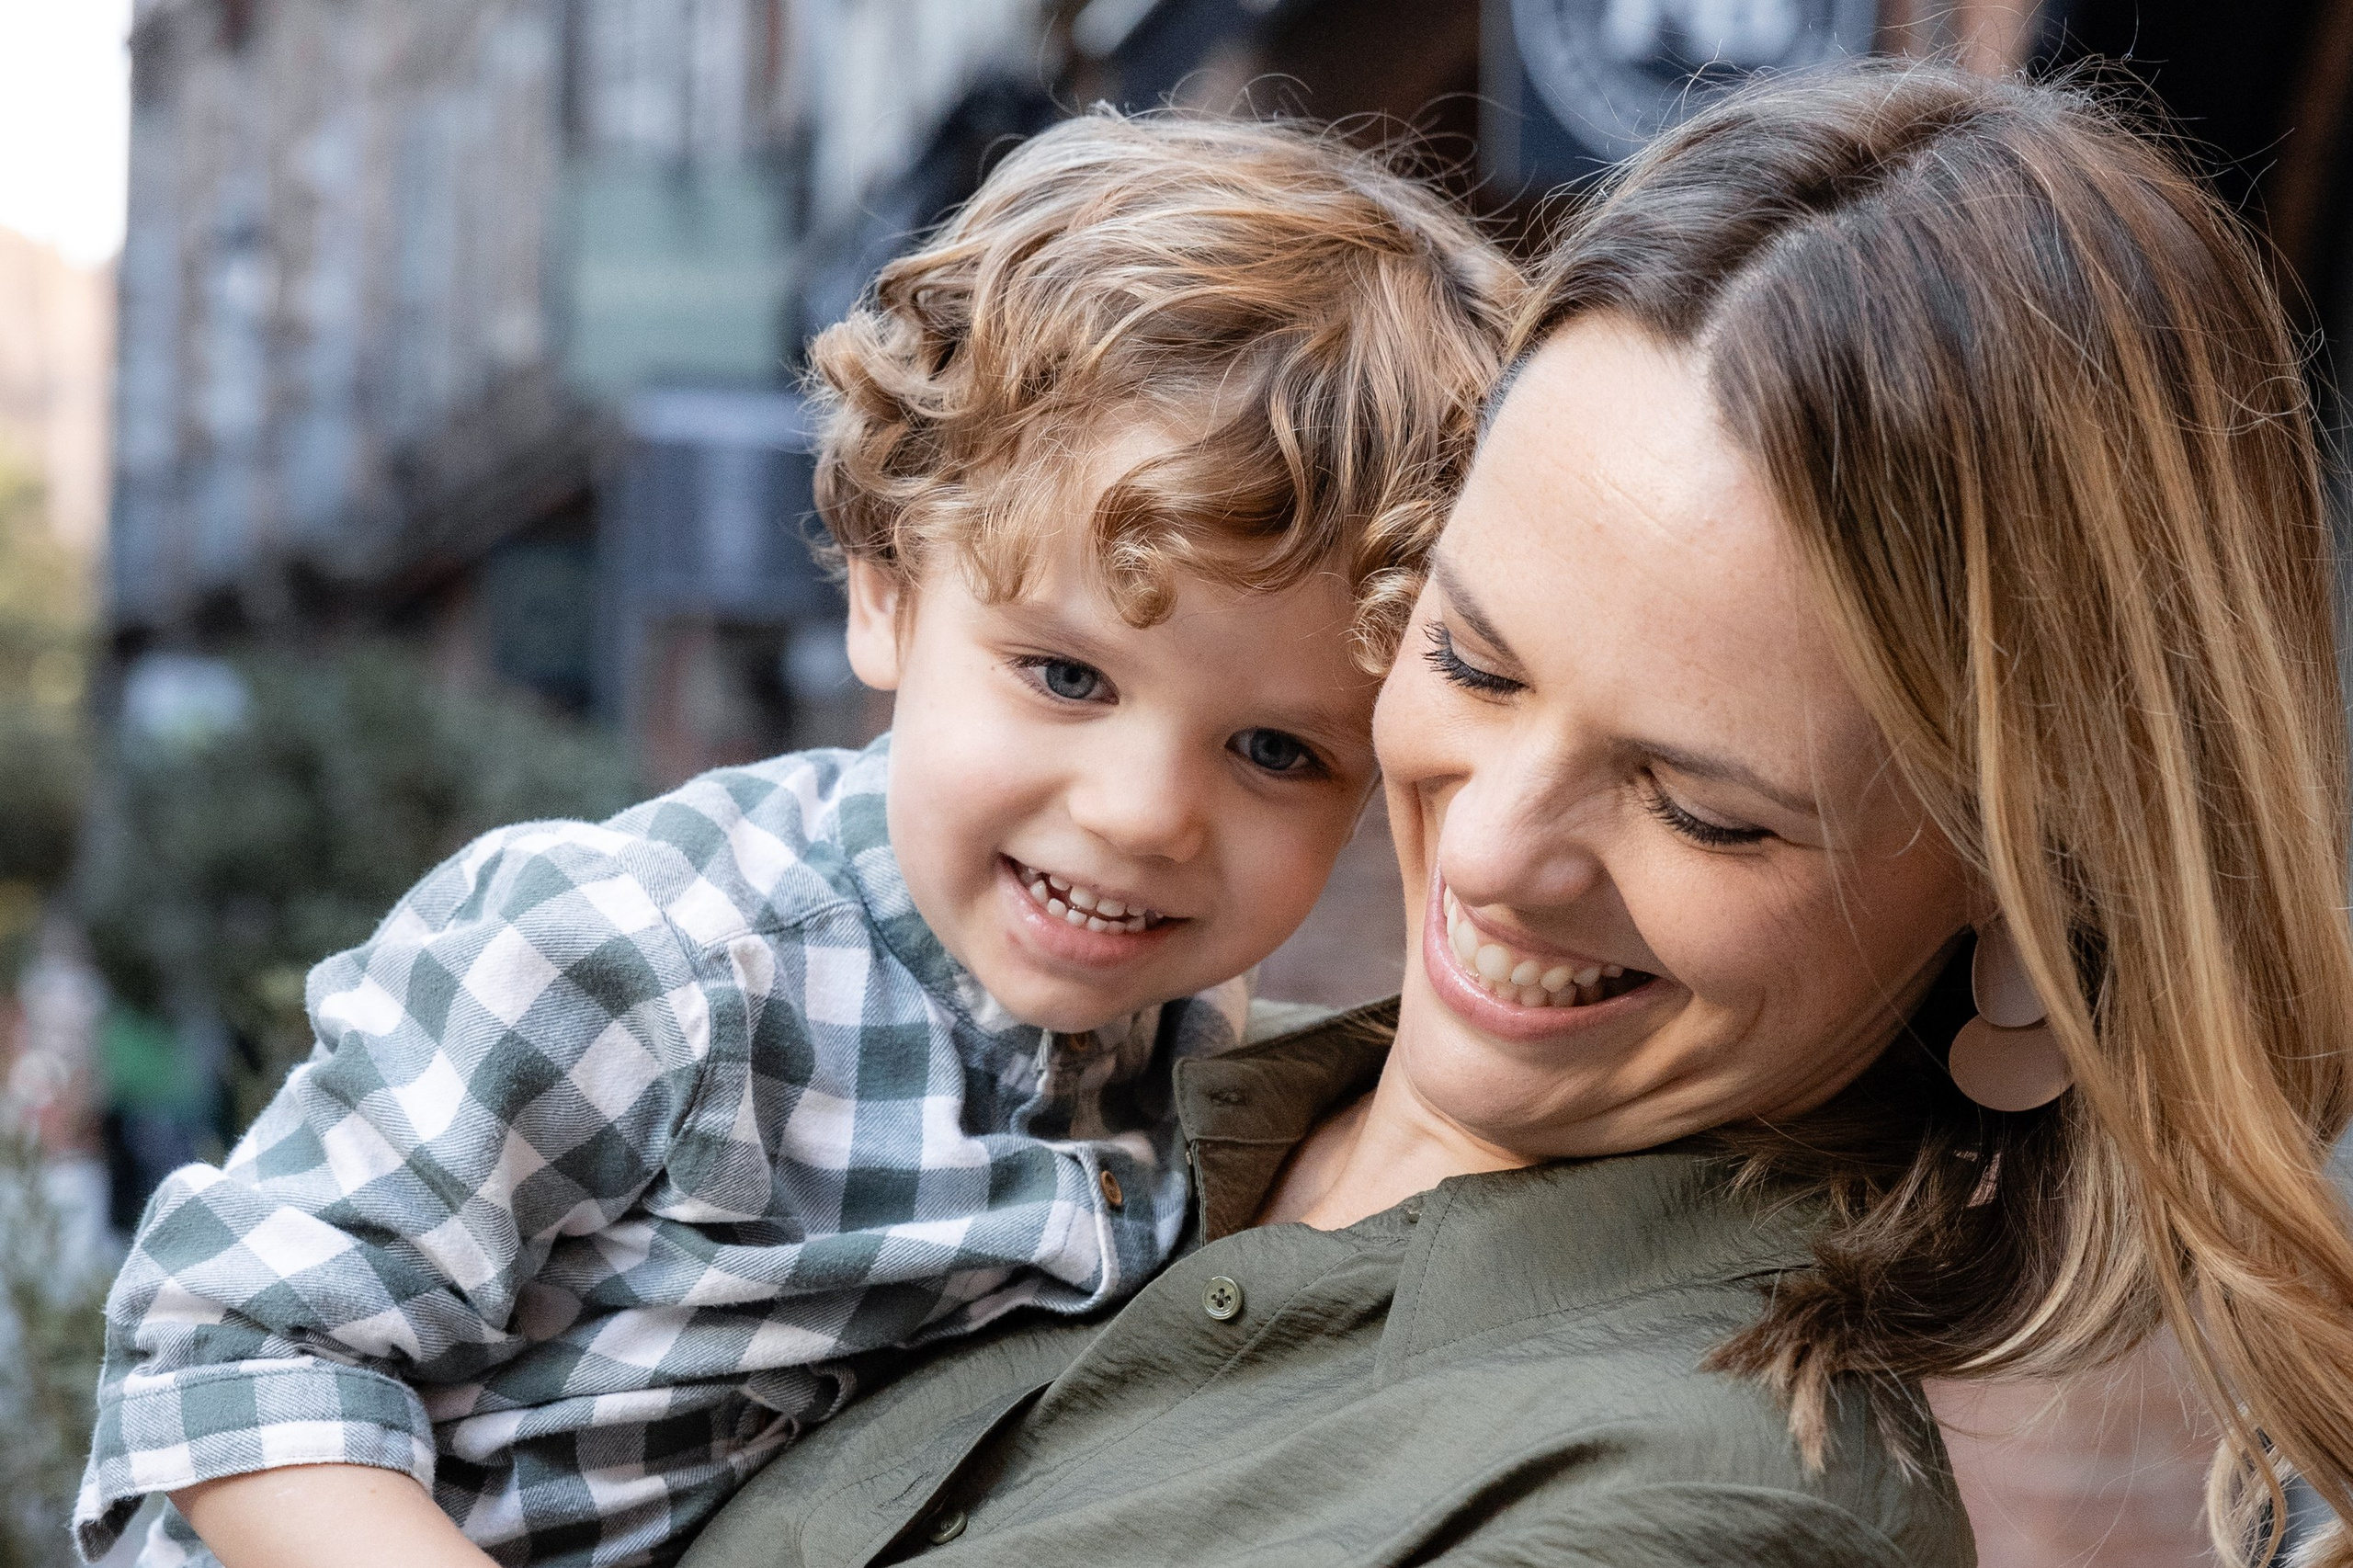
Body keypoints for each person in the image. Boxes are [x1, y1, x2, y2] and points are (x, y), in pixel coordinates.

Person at [680, 59, 2353, 1568]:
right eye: (1471, 661)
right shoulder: (1098, 1066)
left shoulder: (1693, 1505)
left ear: (2031, 881)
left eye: (1704, 809)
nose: (1488, 854)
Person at [74, 113, 1524, 1568]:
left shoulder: (1205, 1068)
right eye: (1067, 675)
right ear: (888, 589)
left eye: (1275, 750)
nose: (1144, 812)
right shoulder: (645, 958)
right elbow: (232, 1342)